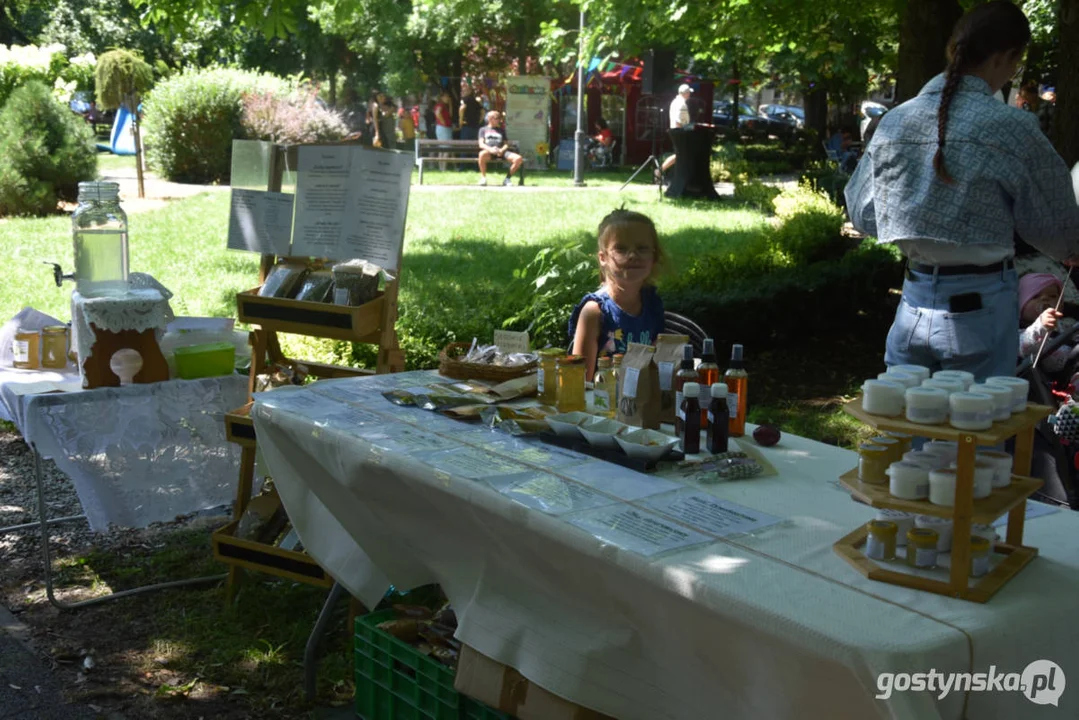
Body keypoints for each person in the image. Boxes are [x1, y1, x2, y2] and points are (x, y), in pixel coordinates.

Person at [845, 0, 1079, 382]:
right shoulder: (1012, 127)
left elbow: (864, 214)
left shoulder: (895, 121)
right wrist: (1071, 249)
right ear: (1007, 56)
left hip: (913, 302)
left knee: (909, 428)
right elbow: (1057, 225)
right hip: (981, 307)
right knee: (978, 432)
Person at [568, 209, 666, 380]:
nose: (633, 255)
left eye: (642, 248)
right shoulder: (594, 312)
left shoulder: (652, 304)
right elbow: (579, 383)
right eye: (621, 249)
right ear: (603, 258)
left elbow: (656, 366)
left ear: (654, 257)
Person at [477, 110, 523, 187]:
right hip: (489, 151)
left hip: (501, 152)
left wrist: (501, 150)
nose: (499, 120)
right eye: (497, 118)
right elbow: (481, 144)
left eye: (499, 118)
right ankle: (483, 178)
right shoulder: (483, 130)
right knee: (481, 154)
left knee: (518, 159)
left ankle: (507, 179)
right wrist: (490, 149)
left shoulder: (501, 130)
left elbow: (506, 144)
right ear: (490, 118)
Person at [660, 84, 693, 179]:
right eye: (689, 92)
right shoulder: (681, 104)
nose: (690, 94)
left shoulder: (675, 101)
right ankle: (659, 171)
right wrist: (683, 133)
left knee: (680, 155)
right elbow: (679, 120)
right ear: (686, 93)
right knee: (680, 155)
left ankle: (677, 176)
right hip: (679, 132)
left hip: (675, 130)